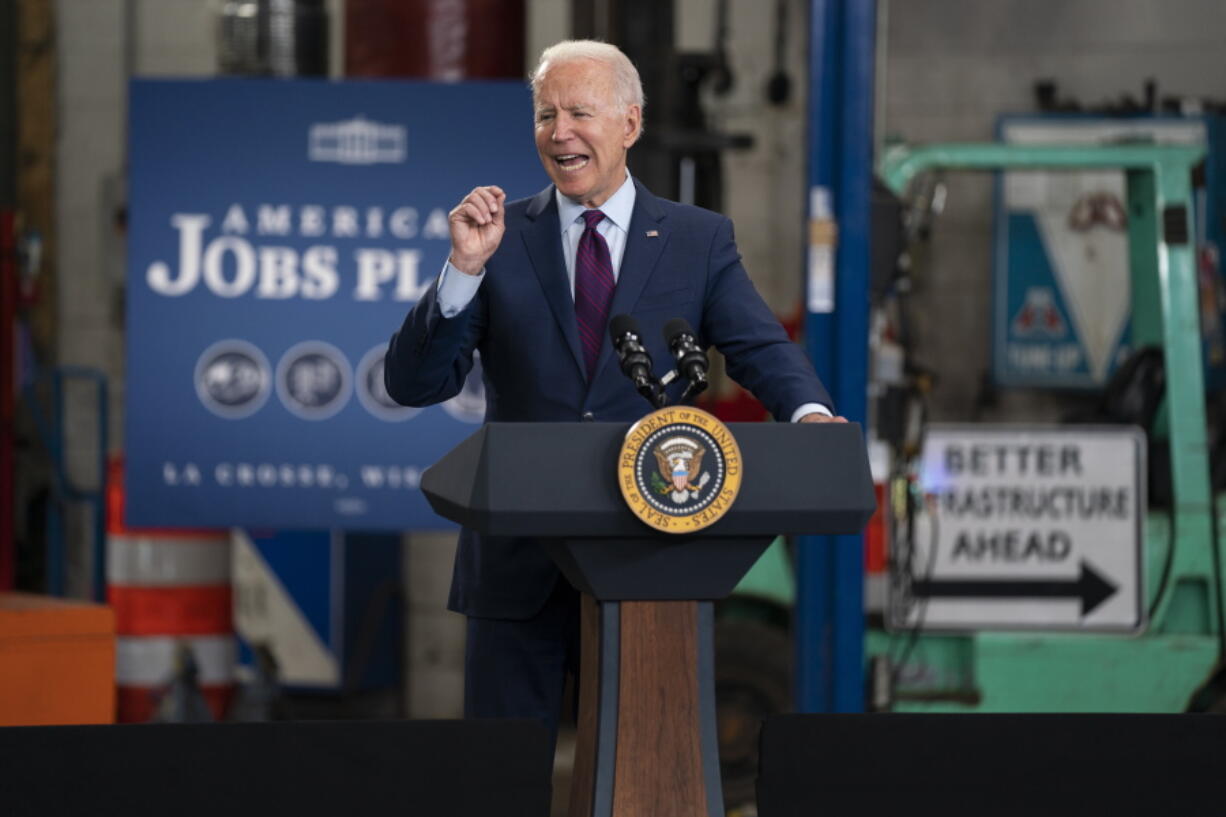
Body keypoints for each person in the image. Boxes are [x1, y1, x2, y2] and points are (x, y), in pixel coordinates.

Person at [385, 39, 844, 744]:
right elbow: (413, 383)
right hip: (519, 566)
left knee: (646, 765)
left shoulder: (698, 240)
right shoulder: (499, 241)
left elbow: (758, 346)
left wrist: (810, 415)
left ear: (630, 123)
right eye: (545, 115)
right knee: (499, 774)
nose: (559, 131)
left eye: (579, 112)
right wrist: (461, 270)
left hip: (650, 555)